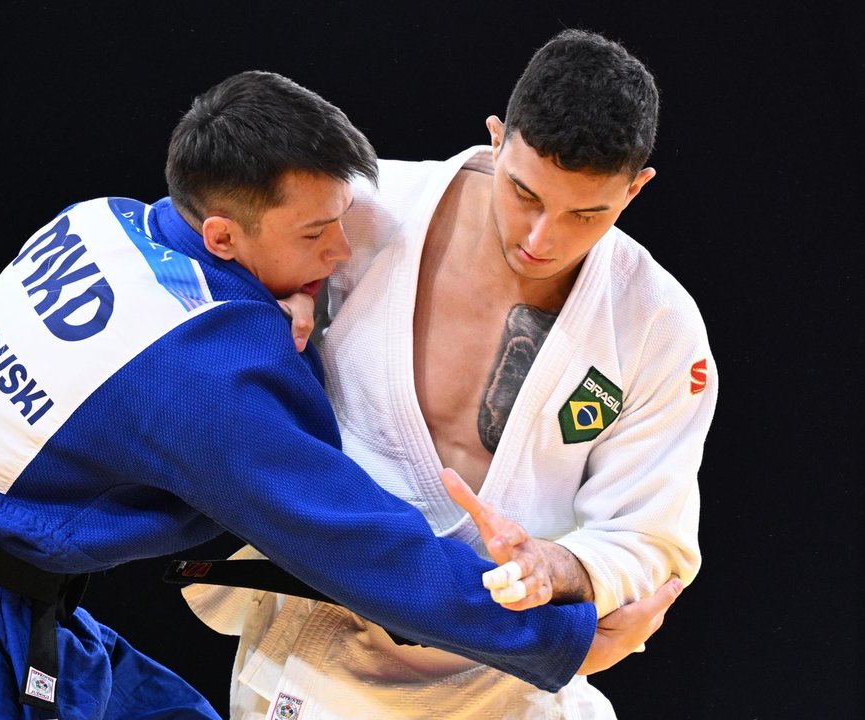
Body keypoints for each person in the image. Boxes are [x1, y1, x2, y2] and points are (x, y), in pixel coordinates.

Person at [0, 69, 672, 720]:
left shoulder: (94, 222)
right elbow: (347, 534)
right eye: (318, 235)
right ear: (222, 231)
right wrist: (566, 641)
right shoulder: (199, 368)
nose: (337, 257)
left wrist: (256, 300)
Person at [184, 29, 718, 719]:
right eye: (524, 192)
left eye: (587, 213)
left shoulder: (656, 324)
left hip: (505, 661)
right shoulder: (363, 213)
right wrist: (267, 305)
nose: (540, 238)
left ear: (636, 188)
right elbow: (210, 272)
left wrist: (559, 569)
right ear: (497, 139)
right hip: (324, 635)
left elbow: (646, 533)